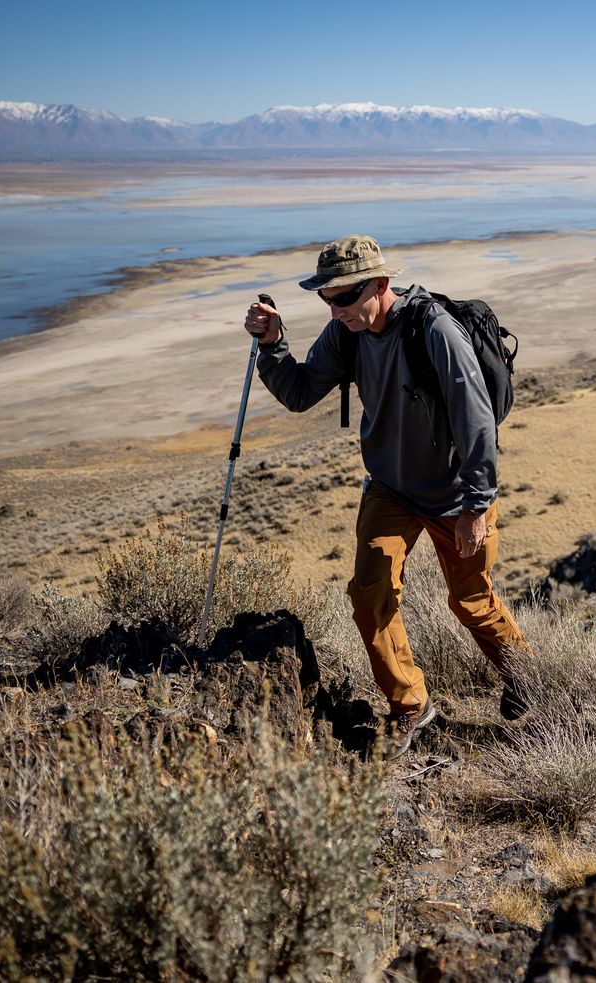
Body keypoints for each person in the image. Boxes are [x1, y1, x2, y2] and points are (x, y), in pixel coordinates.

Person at [242, 234, 529, 757]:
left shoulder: (433, 331)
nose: (335, 308)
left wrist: (476, 505)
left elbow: (477, 421)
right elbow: (301, 392)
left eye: (344, 297)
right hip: (391, 489)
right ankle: (410, 705)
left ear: (380, 284)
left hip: (455, 494)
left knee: (471, 601)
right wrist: (272, 345)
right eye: (326, 298)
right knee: (370, 594)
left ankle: (529, 679)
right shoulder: (344, 333)